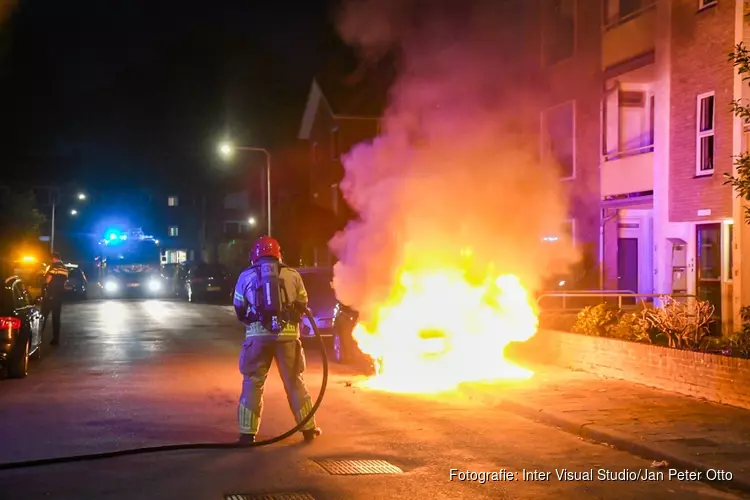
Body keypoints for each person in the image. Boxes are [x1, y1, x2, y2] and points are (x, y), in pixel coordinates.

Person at [233, 236, 322, 444]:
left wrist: (252, 321)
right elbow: (303, 302)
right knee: (295, 383)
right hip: (288, 337)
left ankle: (247, 434)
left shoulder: (245, 276)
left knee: (253, 383)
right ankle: (309, 428)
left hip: (257, 338)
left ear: (254, 255)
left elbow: (239, 307)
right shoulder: (292, 275)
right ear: (278, 253)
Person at [42, 252, 68, 346]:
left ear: (53, 258)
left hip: (50, 295)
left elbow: (48, 279)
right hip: (59, 295)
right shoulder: (65, 268)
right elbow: (64, 283)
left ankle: (38, 336)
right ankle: (56, 338)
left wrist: (44, 283)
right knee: (56, 318)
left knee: (43, 316)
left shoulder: (53, 266)